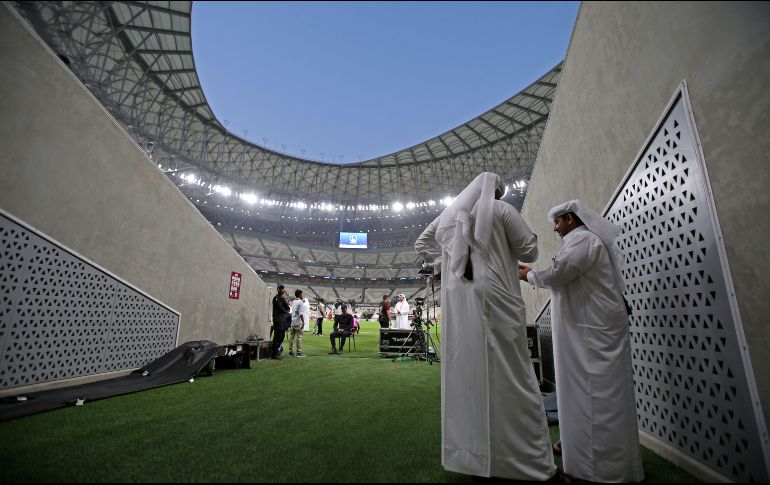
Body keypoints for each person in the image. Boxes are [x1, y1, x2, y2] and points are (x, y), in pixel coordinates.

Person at [415, 172, 556, 481]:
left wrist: (444, 263)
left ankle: (474, 458)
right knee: (515, 376)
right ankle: (528, 461)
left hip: (463, 305)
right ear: (498, 193)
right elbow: (529, 251)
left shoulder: (452, 217)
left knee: (469, 376)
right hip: (499, 299)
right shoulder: (503, 210)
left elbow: (422, 242)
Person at [518, 200, 644, 483]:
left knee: (596, 397)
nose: (555, 228)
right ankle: (581, 453)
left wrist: (529, 275)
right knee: (584, 395)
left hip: (594, 337)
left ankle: (598, 469)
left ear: (570, 220)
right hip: (590, 333)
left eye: (558, 222)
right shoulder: (582, 239)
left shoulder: (583, 239)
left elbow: (560, 273)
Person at [270, 285, 291, 359]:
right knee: (277, 336)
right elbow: (282, 309)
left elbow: (288, 308)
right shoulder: (276, 298)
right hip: (278, 320)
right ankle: (274, 353)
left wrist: (284, 299)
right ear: (278, 289)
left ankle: (277, 350)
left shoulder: (282, 299)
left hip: (282, 320)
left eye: (283, 289)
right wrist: (287, 313)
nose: (283, 290)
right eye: (281, 289)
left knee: (282, 336)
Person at [288, 289, 308, 357]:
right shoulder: (300, 302)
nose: (302, 295)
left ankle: (291, 351)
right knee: (299, 337)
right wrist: (303, 322)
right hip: (298, 321)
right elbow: (301, 314)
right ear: (299, 294)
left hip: (292, 321)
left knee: (292, 337)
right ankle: (299, 352)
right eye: (301, 294)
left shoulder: (293, 301)